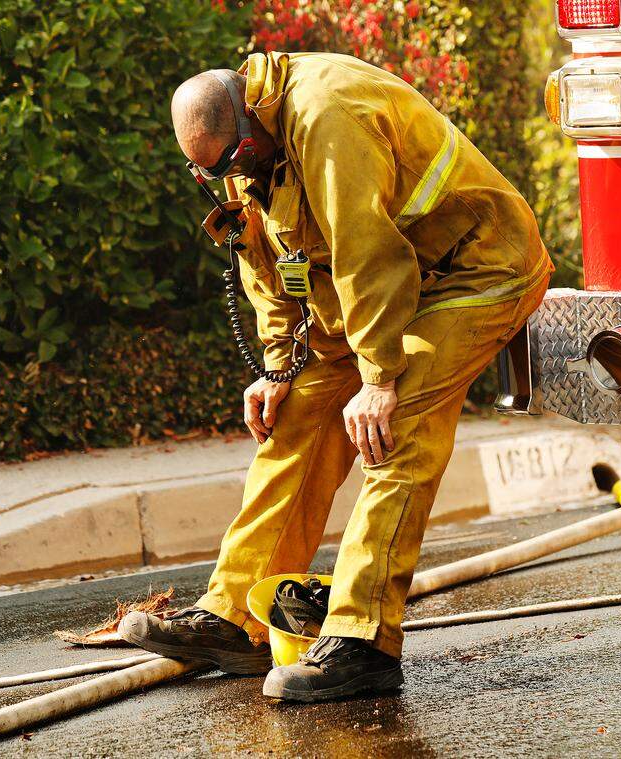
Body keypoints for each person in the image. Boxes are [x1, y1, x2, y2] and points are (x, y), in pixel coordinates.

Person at [121, 51, 551, 703]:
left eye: (237, 161)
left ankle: (362, 642)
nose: (235, 176)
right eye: (219, 172)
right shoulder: (247, 146)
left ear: (249, 120)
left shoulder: (326, 116)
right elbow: (266, 260)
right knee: (295, 417)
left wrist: (379, 379)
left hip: (473, 270)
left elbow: (366, 254)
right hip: (375, 293)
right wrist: (275, 366)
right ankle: (235, 616)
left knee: (396, 421)